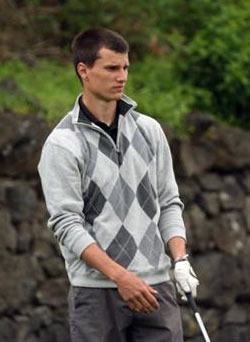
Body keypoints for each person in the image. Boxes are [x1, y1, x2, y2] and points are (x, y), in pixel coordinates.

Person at [38, 27, 199, 342]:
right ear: (83, 71)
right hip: (97, 295)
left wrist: (180, 260)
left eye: (125, 67)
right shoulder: (63, 143)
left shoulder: (149, 131)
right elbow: (67, 224)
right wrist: (120, 277)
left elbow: (169, 202)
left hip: (157, 289)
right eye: (112, 68)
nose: (121, 76)